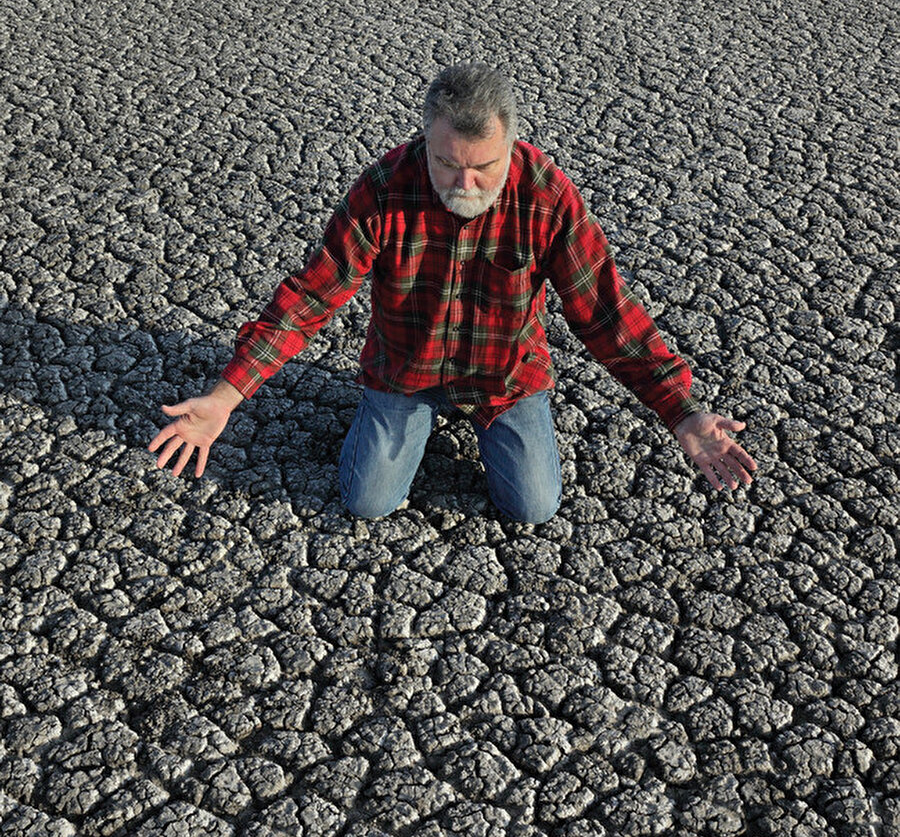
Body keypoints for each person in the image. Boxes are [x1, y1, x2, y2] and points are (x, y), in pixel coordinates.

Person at [149, 63, 756, 522]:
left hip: (505, 378)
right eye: (446, 163)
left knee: (534, 508)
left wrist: (679, 409)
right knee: (368, 504)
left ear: (511, 146)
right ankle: (378, 413)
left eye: (484, 167)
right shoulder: (387, 187)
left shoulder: (545, 195)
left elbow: (603, 310)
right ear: (425, 142)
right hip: (406, 371)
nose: (465, 183)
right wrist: (228, 395)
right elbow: (314, 294)